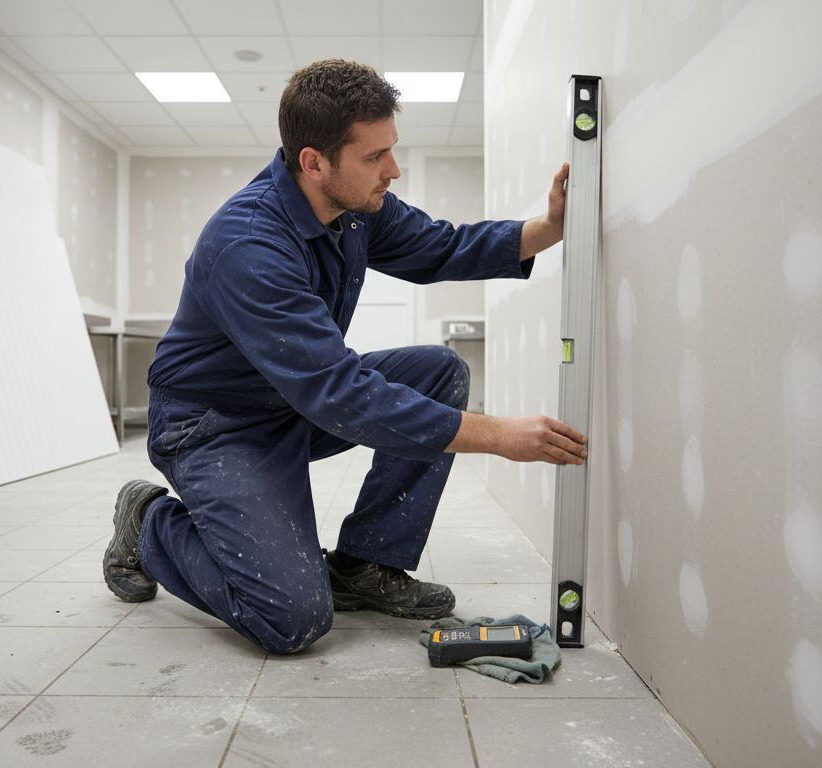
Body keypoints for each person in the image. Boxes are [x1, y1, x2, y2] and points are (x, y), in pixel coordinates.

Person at [103, 59, 587, 654]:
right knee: (291, 619)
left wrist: (550, 227)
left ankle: (364, 564)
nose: (393, 169)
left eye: (392, 149)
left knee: (439, 372)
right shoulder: (247, 245)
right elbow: (340, 392)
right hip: (214, 427)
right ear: (314, 162)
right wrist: (495, 435)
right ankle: (147, 521)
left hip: (290, 403)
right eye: (374, 156)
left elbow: (442, 245)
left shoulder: (352, 207)